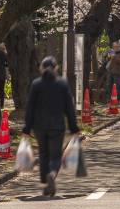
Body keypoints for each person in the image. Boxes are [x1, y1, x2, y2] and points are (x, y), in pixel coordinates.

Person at [22, 56, 79, 197]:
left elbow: (30, 108)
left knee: (43, 153)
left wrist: (26, 128)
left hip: (39, 126)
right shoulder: (62, 84)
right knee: (55, 156)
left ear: (41, 68)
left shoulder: (36, 84)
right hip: (57, 126)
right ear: (56, 68)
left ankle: (45, 182)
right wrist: (74, 128)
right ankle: (52, 175)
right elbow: (69, 108)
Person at [0, 43, 8, 109]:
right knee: (1, 90)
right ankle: (1, 104)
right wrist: (7, 75)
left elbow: (6, 65)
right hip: (2, 74)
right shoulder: (5, 54)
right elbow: (6, 66)